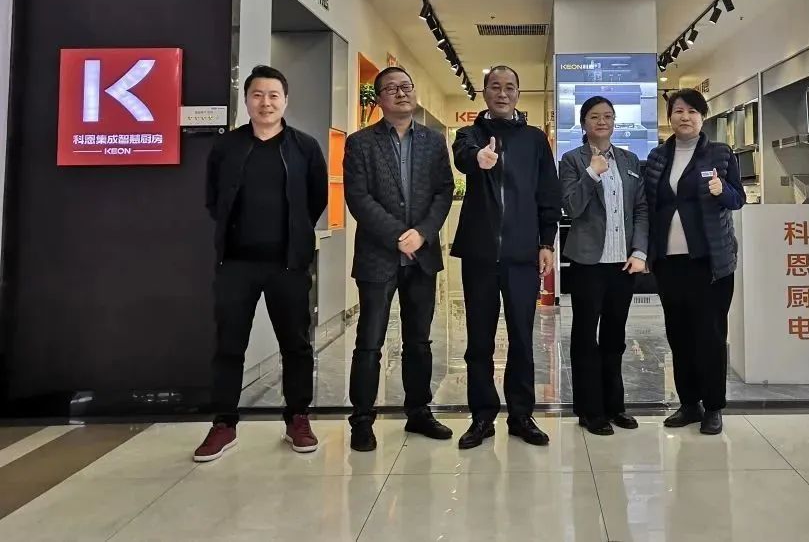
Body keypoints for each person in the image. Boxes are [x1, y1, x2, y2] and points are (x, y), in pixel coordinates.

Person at [194, 65, 329, 462]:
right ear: (247, 100)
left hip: (288, 265)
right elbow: (213, 199)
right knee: (228, 345)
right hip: (236, 264)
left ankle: (298, 417)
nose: (265, 102)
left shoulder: (304, 147)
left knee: (296, 345)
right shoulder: (227, 147)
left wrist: (295, 236)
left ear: (285, 101)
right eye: (257, 95)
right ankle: (223, 423)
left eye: (273, 95)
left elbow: (316, 198)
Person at [343, 66, 455, 452]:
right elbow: (358, 198)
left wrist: (421, 233)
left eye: (406, 86)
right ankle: (361, 420)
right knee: (369, 341)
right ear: (379, 99)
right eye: (391, 88)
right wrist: (397, 236)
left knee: (419, 341)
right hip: (378, 256)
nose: (401, 93)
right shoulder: (360, 143)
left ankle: (419, 412)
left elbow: (443, 191)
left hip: (422, 256)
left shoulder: (433, 141)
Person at [451, 65, 561, 449]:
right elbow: (463, 157)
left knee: (522, 339)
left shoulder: (534, 140)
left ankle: (521, 415)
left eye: (509, 87)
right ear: (484, 92)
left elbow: (548, 194)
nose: (502, 93)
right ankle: (482, 417)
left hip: (522, 255)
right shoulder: (469, 134)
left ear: (518, 93)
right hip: (480, 255)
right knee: (479, 341)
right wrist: (479, 158)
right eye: (495, 87)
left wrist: (546, 243)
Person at [643, 89, 745, 436]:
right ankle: (689, 403)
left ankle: (713, 406)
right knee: (679, 334)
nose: (684, 117)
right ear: (669, 117)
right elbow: (650, 205)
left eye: (691, 111)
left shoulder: (720, 153)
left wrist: (722, 190)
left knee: (710, 335)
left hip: (710, 263)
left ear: (702, 117)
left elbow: (737, 199)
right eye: (678, 111)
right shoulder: (658, 156)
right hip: (669, 263)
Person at [559, 96, 649, 436]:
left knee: (615, 336)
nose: (602, 121)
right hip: (588, 263)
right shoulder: (572, 160)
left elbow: (641, 208)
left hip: (622, 263)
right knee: (585, 336)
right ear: (584, 123)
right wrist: (591, 174)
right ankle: (590, 409)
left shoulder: (629, 160)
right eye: (595, 116)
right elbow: (571, 207)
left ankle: (615, 405)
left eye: (608, 116)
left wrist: (640, 250)